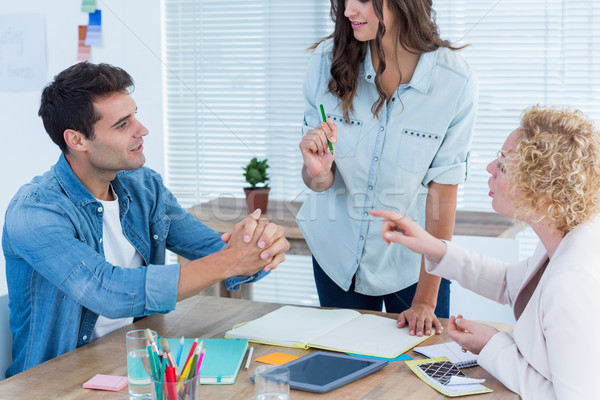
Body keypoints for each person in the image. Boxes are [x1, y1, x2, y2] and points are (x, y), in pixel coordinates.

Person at [2, 62, 290, 377]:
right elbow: (110, 292)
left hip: (134, 360)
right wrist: (232, 261)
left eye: (135, 115)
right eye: (123, 125)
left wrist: (259, 245)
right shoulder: (34, 212)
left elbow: (213, 249)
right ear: (77, 140)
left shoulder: (143, 186)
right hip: (54, 380)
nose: (142, 130)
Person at [372, 105, 600, 398]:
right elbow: (508, 282)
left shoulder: (572, 282)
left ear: (541, 193)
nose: (490, 169)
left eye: (503, 166)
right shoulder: (564, 239)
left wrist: (493, 345)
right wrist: (429, 244)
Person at [297, 0, 477, 337]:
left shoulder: (453, 80)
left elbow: (443, 191)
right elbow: (318, 180)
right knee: (342, 370)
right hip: (336, 255)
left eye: (363, 0)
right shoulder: (326, 63)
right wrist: (318, 172)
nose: (349, 11)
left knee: (419, 374)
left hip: (412, 268)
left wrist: (425, 300)